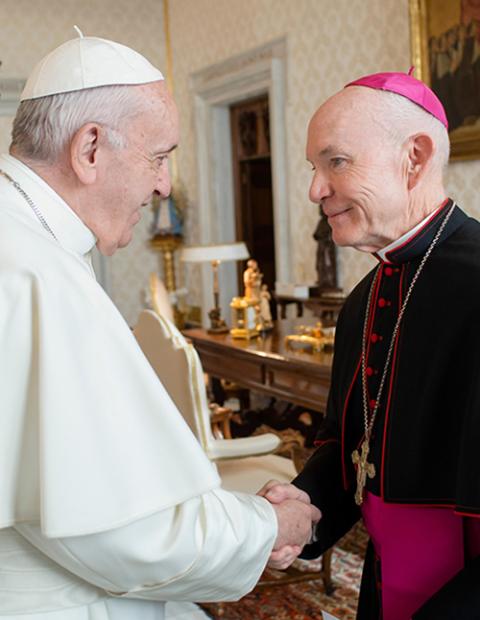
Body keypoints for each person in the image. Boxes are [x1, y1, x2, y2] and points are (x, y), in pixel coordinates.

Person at [0, 32, 320, 619]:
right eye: (159, 156)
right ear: (90, 149)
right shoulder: (37, 275)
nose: (165, 185)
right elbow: (119, 531)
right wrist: (264, 524)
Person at [265, 70, 480, 619]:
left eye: (335, 162)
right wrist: (305, 506)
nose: (315, 190)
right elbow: (346, 449)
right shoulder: (363, 300)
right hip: (383, 592)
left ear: (415, 156)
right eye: (314, 169)